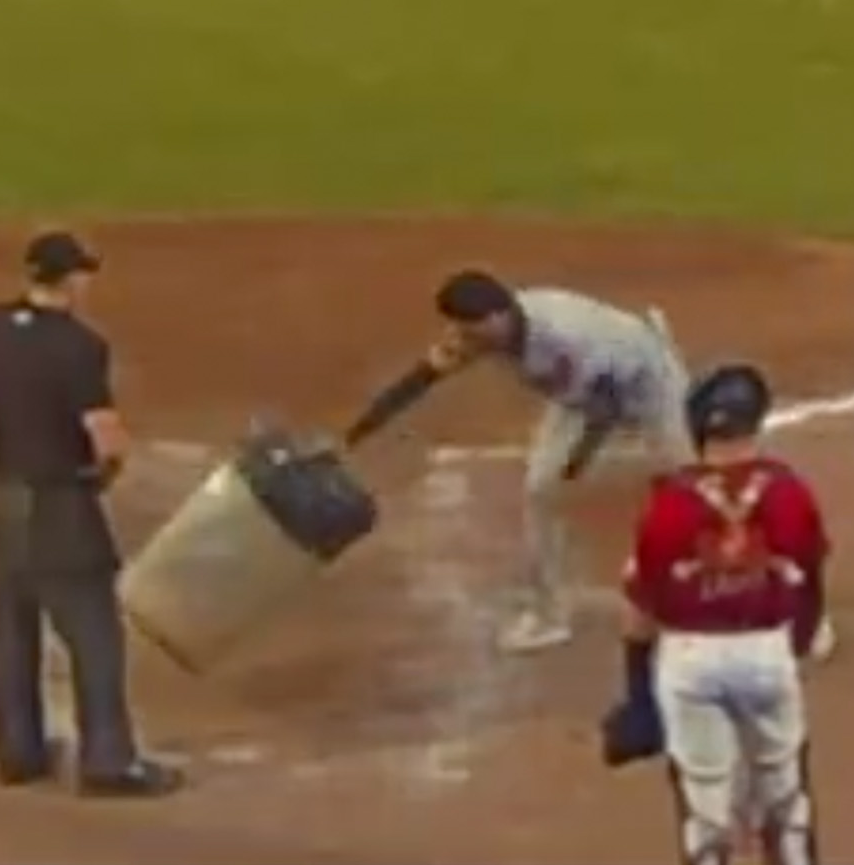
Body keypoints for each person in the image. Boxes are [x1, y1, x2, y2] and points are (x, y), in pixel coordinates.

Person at [342, 268, 694, 653]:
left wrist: (577, 462)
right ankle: (551, 614)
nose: (467, 341)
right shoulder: (479, 335)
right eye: (463, 330)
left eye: (474, 330)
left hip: (648, 381)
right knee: (540, 492)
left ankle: (708, 595)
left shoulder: (561, 338)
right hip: (584, 398)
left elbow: (606, 408)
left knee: (692, 485)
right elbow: (422, 378)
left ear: (499, 315)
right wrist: (358, 431)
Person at [0, 229, 183, 798]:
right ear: (72, 279)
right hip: (58, 503)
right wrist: (104, 476)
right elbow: (105, 439)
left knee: (10, 623)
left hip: (0, 495)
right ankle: (109, 761)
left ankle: (17, 751)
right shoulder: (81, 346)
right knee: (94, 632)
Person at [607, 362, 829, 865]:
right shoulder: (790, 492)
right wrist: (793, 646)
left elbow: (639, 606)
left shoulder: (667, 504)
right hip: (767, 651)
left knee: (706, 811)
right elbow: (812, 583)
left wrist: (639, 696)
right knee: (787, 803)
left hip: (690, 660)